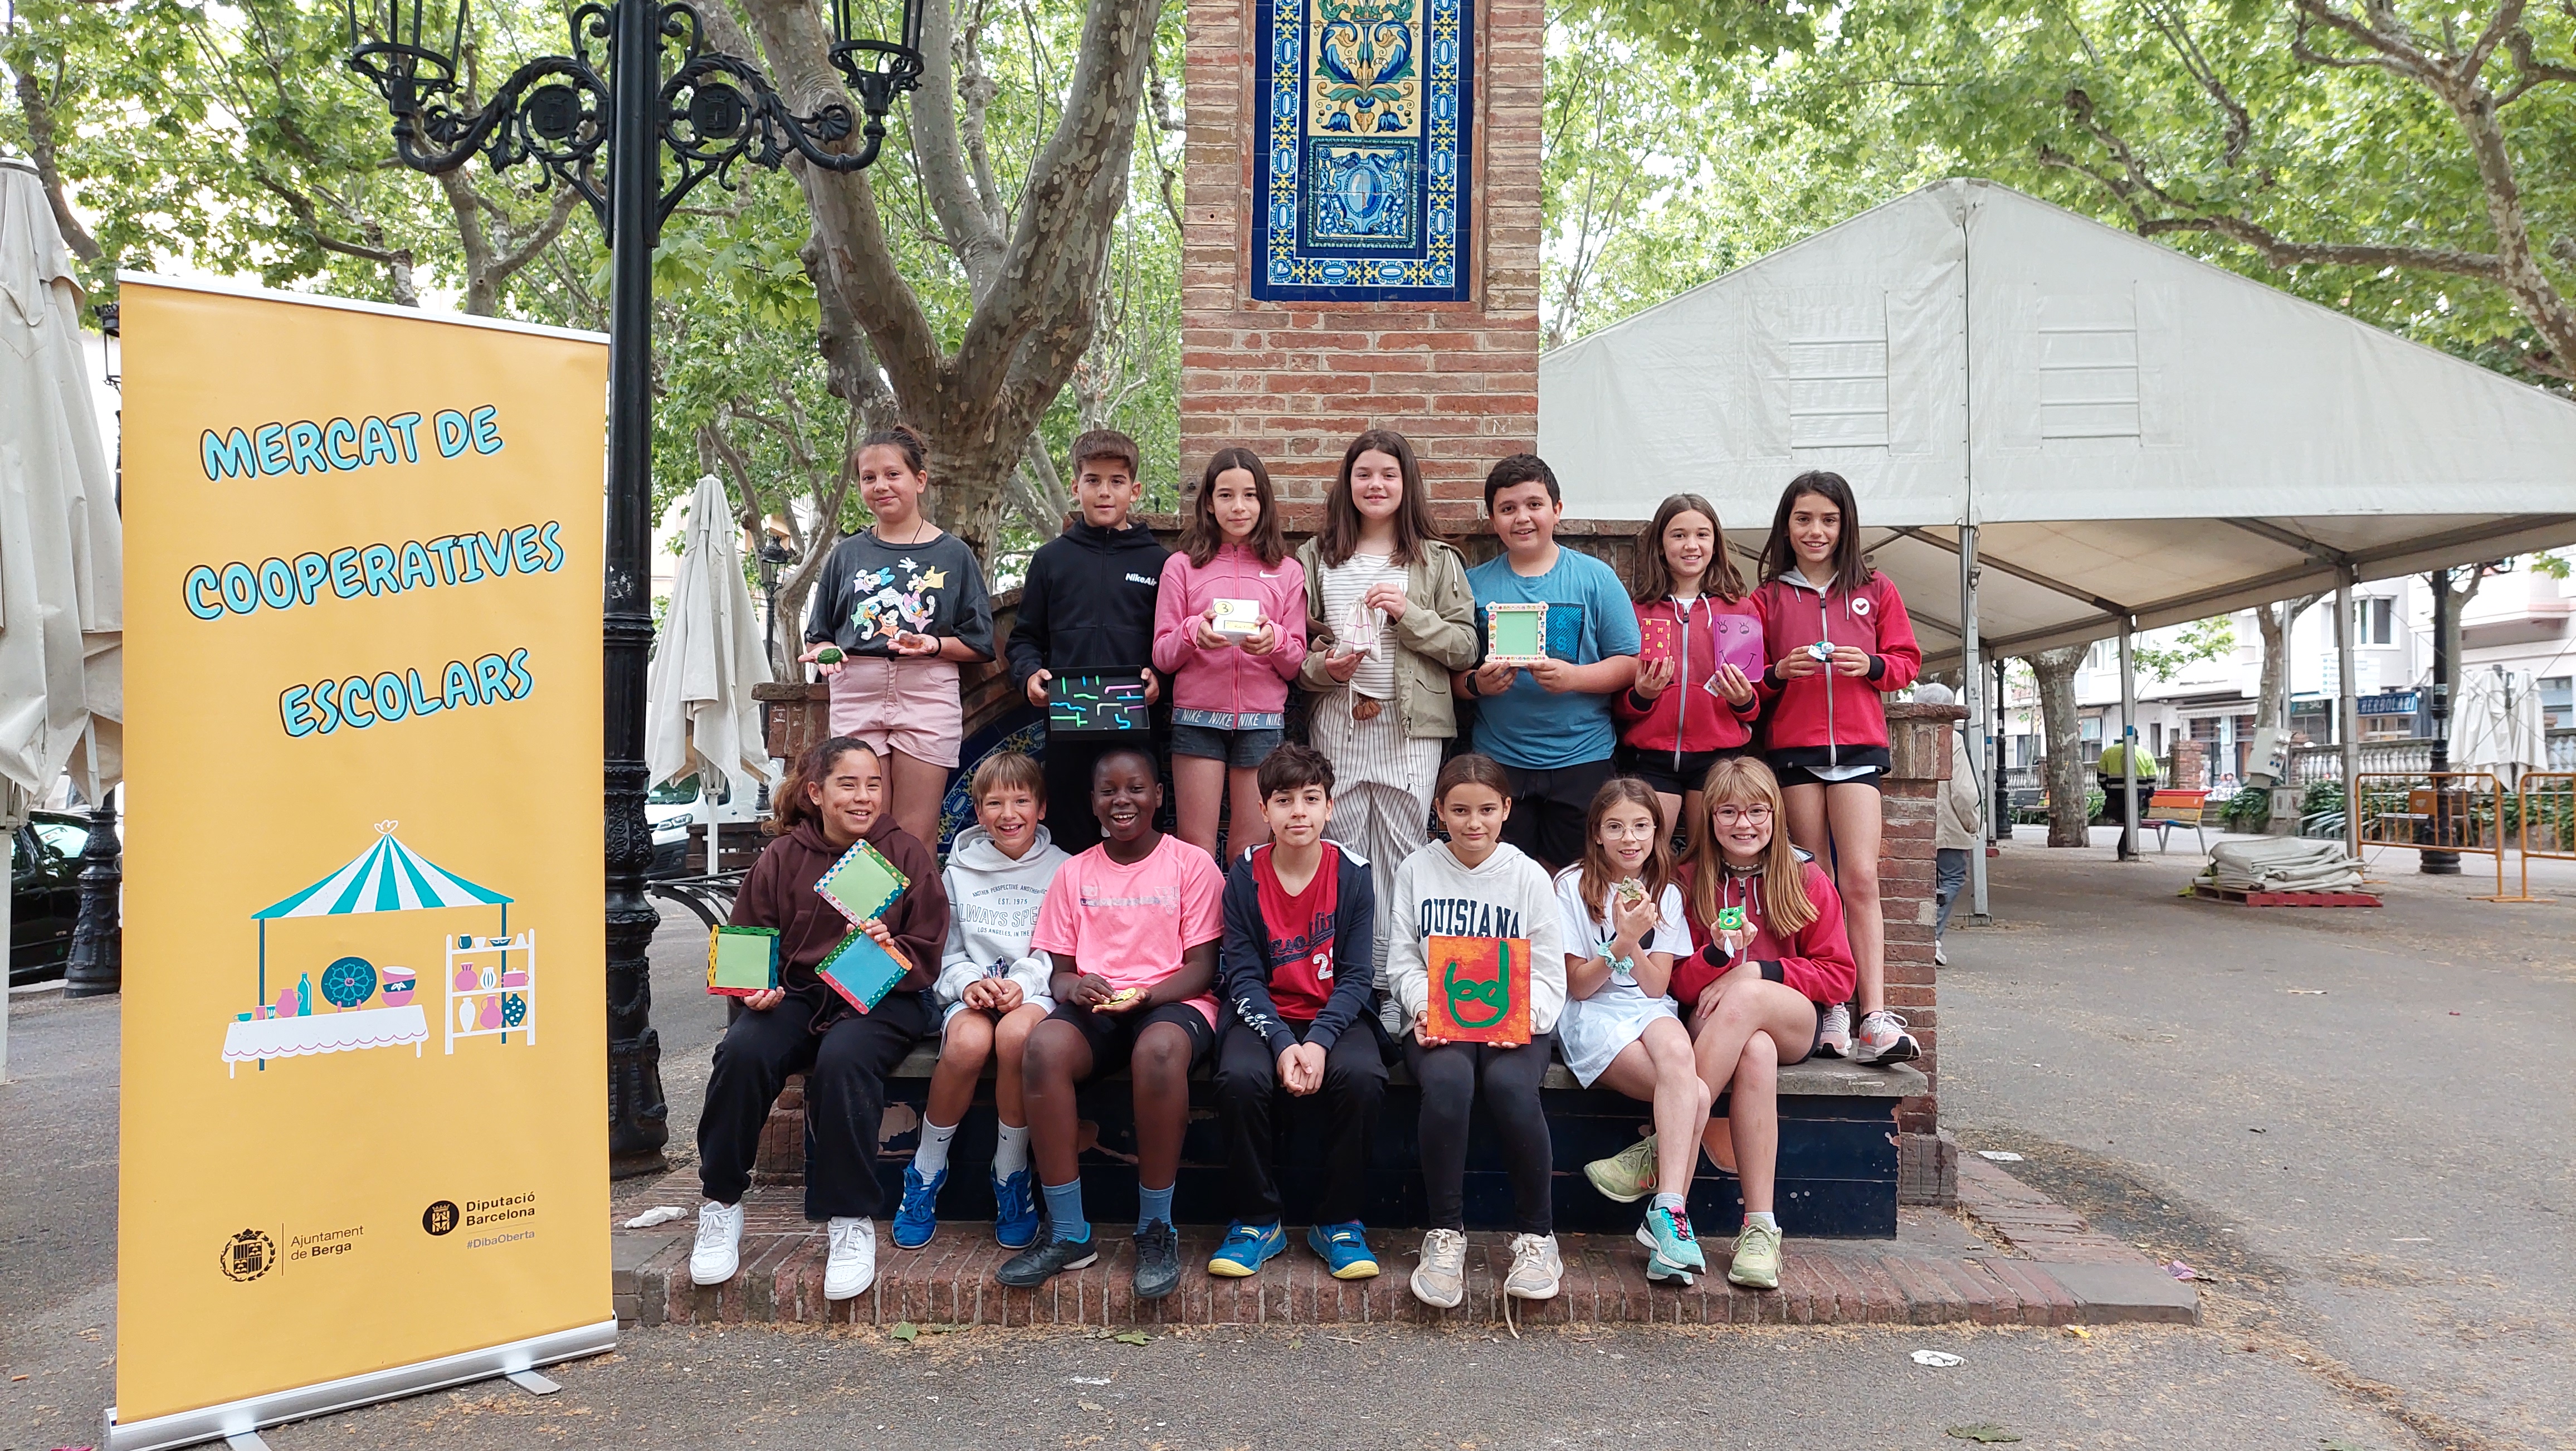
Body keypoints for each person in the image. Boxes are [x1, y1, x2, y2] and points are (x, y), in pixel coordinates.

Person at [691, 737, 949, 1303]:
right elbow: (747, 944)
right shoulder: (782, 857)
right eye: (848, 784)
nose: (863, 797)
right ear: (816, 792)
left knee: (844, 1057)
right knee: (743, 1051)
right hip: (799, 996)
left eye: (874, 784)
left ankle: (849, 1218)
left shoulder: (903, 854)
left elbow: (928, 946)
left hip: (884, 997)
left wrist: (891, 944)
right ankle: (720, 1202)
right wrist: (753, 994)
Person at [999, 747, 1225, 1301]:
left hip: (1173, 999)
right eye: (1108, 791)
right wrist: (1073, 988)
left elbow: (1202, 968)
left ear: (1159, 796)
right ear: (1093, 801)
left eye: (1135, 788)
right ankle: (1069, 1231)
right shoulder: (1074, 872)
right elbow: (1057, 972)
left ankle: (1155, 1227)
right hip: (1097, 1003)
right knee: (1043, 1048)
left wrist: (1145, 996)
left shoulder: (1191, 865)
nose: (1122, 800)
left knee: (1159, 1053)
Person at [1296, 428, 1479, 1030]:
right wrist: (1329, 668)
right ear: (1347, 483)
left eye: (1388, 475)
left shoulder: (1434, 559)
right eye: (1364, 474)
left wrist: (1411, 614)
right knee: (1343, 854)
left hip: (1412, 725)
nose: (1375, 485)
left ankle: (1405, 990)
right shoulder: (1315, 556)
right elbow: (1292, 653)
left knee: (1406, 854)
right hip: (1339, 721)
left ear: (1407, 485)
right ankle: (1356, 987)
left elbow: (1464, 645)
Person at [1653, 755, 1855, 1291]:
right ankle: (1761, 1228)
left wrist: (1757, 972)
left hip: (1792, 1019)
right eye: (1728, 812)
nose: (1744, 824)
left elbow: (1839, 978)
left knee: (1748, 1002)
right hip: (1716, 1025)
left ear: (1777, 814)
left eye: (1758, 811)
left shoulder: (1806, 877)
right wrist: (1720, 958)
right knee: (1755, 1052)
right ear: (1709, 819)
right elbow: (1676, 983)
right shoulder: (1688, 880)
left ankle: (1664, 1140)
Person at [1385, 753, 1568, 1309]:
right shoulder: (1417, 869)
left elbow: (1549, 974)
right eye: (1459, 810)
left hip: (1515, 1023)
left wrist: (1523, 1021)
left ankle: (1538, 1237)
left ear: (1507, 809)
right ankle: (1445, 1236)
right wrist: (1422, 1005)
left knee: (1511, 1087)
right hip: (1438, 1019)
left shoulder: (1529, 877)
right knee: (1447, 1084)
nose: (1473, 822)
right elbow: (1401, 962)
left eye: (1487, 810)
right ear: (1439, 809)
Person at [1751, 470, 1920, 1065]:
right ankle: (1830, 1006)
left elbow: (1905, 662)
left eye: (1828, 518)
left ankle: (1874, 1013)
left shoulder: (1876, 589)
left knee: (1860, 880)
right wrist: (1777, 674)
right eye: (1803, 519)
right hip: (1793, 753)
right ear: (1786, 526)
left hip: (1857, 752)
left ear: (1845, 524)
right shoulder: (1767, 599)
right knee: (1812, 884)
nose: (1816, 530)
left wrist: (1870, 665)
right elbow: (1744, 683)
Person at [1207, 744, 1387, 1280]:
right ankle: (1258, 1221)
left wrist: (1319, 1041)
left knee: (1364, 1077)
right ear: (1263, 812)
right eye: (1284, 801)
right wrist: (1284, 1042)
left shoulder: (1353, 873)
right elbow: (1241, 975)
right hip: (1262, 1013)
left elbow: (1357, 977)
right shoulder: (1244, 874)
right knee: (1239, 1078)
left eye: (1311, 799)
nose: (1299, 812)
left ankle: (1338, 1222)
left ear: (1330, 807)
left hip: (1335, 1014)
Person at [899, 751, 1069, 1252]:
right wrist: (968, 982)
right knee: (969, 1044)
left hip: (1033, 990)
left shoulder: (1063, 868)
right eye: (995, 803)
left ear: (1041, 808)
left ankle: (1010, 1172)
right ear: (977, 812)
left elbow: (1058, 947)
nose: (1008, 813)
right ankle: (926, 1171)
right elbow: (946, 950)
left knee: (1017, 1037)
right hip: (973, 989)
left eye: (1021, 801)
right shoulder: (957, 871)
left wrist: (1021, 981)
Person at [799, 425, 996, 850]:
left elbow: (981, 641)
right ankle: (864, 920)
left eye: (893, 474)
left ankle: (915, 919)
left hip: (927, 691)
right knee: (863, 829)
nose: (880, 486)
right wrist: (825, 652)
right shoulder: (846, 553)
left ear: (919, 480)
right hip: (857, 691)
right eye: (869, 478)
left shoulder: (954, 554)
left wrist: (934, 645)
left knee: (914, 834)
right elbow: (819, 635)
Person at [1553, 778, 1710, 1284]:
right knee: (1698, 1098)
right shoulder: (1572, 886)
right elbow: (1579, 987)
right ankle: (1671, 1225)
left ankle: (1666, 1212)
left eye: (1641, 826)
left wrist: (1636, 940)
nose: (1630, 838)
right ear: (1597, 833)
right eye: (1616, 826)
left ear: (1657, 832)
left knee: (1677, 1055)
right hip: (1592, 1015)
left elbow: (1655, 986)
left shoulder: (1666, 891)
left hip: (1646, 1005)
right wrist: (1619, 939)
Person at [1457, 454, 1641, 873]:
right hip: (1500, 760)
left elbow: (1630, 664)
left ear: (1557, 511)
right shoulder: (1472, 585)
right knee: (1504, 877)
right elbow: (1448, 676)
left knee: (1579, 879)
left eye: (1534, 505)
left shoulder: (1596, 578)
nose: (1522, 518)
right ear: (1493, 519)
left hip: (1582, 758)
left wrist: (1575, 677)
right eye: (1508, 509)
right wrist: (1477, 685)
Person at [1006, 429, 1170, 853]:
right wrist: (1029, 677)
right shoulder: (1050, 560)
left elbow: (1171, 644)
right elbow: (1023, 639)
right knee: (1069, 837)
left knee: (1139, 836)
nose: (1104, 492)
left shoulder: (1160, 563)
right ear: (1076, 486)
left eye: (1116, 482)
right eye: (1093, 481)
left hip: (1136, 729)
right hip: (1067, 729)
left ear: (1134, 491)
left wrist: (1161, 681)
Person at [1154, 447, 1309, 859]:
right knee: (1196, 847)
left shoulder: (1288, 571)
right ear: (1208, 501)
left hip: (1262, 723)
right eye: (1226, 495)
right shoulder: (1182, 567)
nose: (1238, 507)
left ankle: (1244, 927)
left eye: (1250, 495)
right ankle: (1201, 928)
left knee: (1251, 849)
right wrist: (1193, 633)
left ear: (1264, 502)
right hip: (1196, 719)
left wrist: (1273, 640)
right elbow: (1163, 655)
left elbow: (1295, 661)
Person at [1617, 494, 1764, 840]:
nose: (1691, 545)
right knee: (1649, 860)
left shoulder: (1740, 610)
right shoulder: (1636, 611)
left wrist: (1743, 699)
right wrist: (1642, 696)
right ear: (1660, 544)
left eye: (1702, 534)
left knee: (1708, 865)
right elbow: (1617, 704)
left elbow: (1755, 707)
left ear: (1716, 543)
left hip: (1719, 759)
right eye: (1678, 535)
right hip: (1650, 759)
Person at [1916, 683, 1979, 967]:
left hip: (1915, 823)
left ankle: (1921, 933)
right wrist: (1972, 823)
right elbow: (1963, 790)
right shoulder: (1950, 738)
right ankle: (1932, 937)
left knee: (1919, 880)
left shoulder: (1906, 734)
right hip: (1948, 824)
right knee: (1951, 879)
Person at [2095, 738, 2161, 831]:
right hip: (2138, 790)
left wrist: (2106, 787)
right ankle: (2129, 830)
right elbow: (2152, 777)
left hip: (2115, 791)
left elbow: (2101, 774)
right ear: (2137, 738)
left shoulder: (2109, 752)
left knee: (2121, 814)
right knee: (2132, 818)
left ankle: (2112, 817)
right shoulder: (2146, 754)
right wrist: (2149, 793)